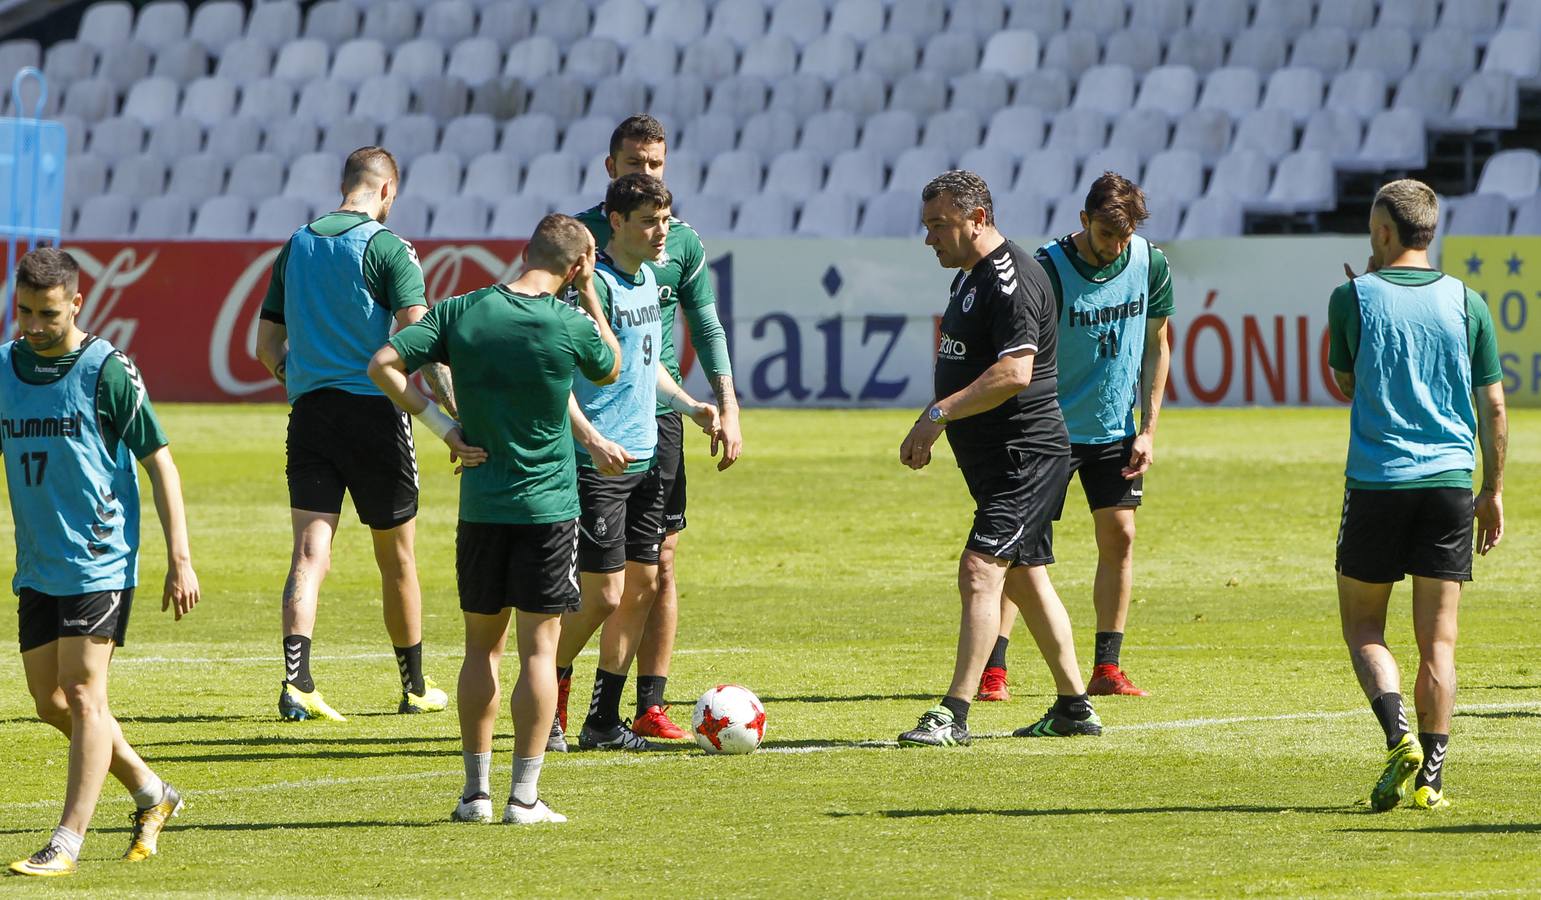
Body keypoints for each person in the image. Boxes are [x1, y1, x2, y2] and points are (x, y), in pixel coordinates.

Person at [369, 213, 619, 825]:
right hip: (549, 508)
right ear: (579, 264)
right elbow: (611, 365)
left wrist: (445, 430)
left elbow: (382, 365)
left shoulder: (463, 310)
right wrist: (588, 294)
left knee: (482, 649)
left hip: (482, 506)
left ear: (523, 251)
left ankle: (474, 795)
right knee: (539, 650)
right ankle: (523, 798)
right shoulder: (568, 322)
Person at [4, 248, 200, 876]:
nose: (34, 325)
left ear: (78, 304)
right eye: (25, 310)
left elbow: (160, 461)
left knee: (86, 692)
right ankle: (151, 791)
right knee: (49, 700)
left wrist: (180, 557)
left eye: (48, 313)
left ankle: (67, 840)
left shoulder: (107, 370)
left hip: (98, 558)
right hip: (38, 562)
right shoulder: (6, 367)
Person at [897, 171, 1101, 747]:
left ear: (978, 217)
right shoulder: (972, 276)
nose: (930, 238)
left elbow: (1015, 372)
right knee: (1027, 579)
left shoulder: (1010, 280)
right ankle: (1073, 707)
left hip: (1025, 456)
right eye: (927, 225)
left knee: (981, 569)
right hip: (999, 459)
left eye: (940, 225)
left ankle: (953, 713)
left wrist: (935, 417)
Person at [255, 146, 453, 721]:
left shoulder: (297, 244)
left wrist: (309, 378)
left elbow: (266, 347)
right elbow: (422, 340)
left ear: (346, 185)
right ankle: (415, 687)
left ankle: (297, 684)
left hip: (311, 415)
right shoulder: (389, 248)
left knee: (309, 552)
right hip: (376, 414)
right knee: (397, 558)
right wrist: (453, 411)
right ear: (387, 191)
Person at [1330, 179, 1506, 812]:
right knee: (1439, 640)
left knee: (1364, 629)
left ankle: (1398, 735)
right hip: (1450, 485)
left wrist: (1358, 301)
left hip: (1378, 483)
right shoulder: (1469, 302)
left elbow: (1347, 383)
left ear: (1383, 232)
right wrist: (1493, 488)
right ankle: (1432, 776)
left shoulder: (1351, 297)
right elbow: (1493, 403)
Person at [570, 114, 742, 739]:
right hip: (594, 423)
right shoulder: (575, 242)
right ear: (610, 166)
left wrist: (722, 402)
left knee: (660, 564)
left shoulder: (676, 244)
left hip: (658, 415)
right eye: (635, 164)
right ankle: (555, 693)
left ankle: (641, 707)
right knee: (597, 584)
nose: (647, 174)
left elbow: (707, 322)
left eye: (656, 165)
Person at [978, 172, 1173, 702]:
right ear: (1083, 220)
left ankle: (1107, 667)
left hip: (1114, 429)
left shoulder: (1150, 263)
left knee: (1121, 538)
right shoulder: (1047, 270)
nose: (1116, 248)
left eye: (1125, 237)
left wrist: (1148, 429)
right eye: (1107, 236)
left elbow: (1158, 347)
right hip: (1048, 428)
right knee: (1023, 550)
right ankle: (994, 669)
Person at [551, 174, 719, 753]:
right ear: (616, 223)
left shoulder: (649, 281)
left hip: (646, 457)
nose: (661, 232)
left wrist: (690, 404)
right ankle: (543, 682)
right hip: (598, 463)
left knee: (643, 587)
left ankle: (602, 721)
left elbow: (649, 369)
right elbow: (556, 381)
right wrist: (593, 439)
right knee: (602, 596)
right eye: (649, 221)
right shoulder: (586, 290)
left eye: (666, 220)